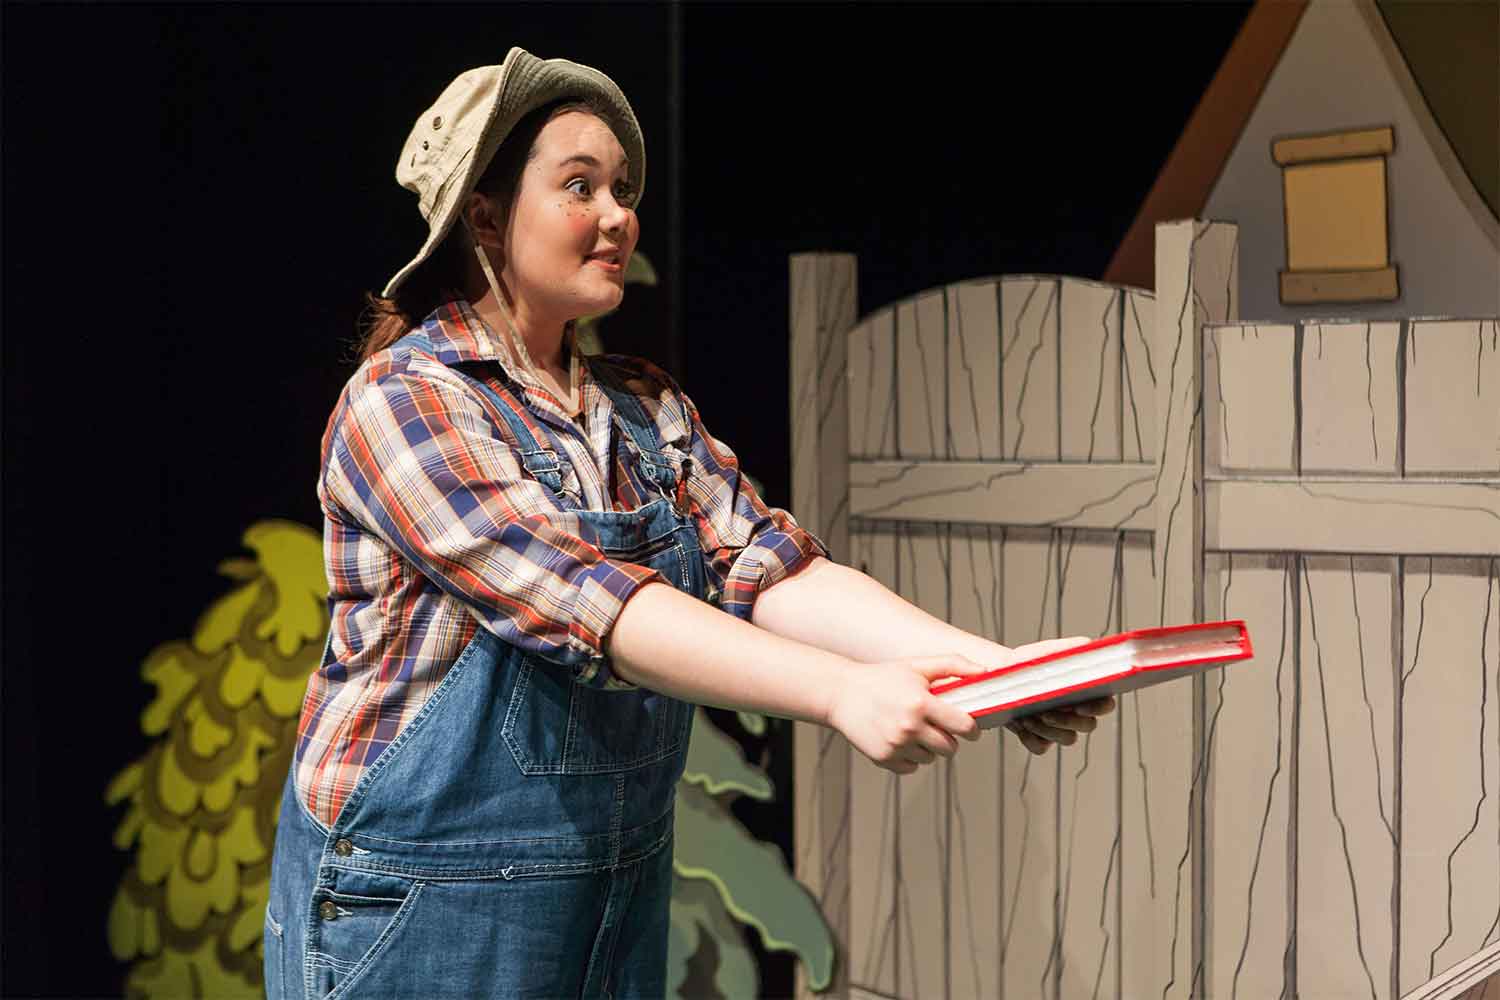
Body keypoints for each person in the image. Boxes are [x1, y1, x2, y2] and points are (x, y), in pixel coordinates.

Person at [263, 47, 1116, 999]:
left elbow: (774, 568)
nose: (618, 215)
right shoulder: (406, 403)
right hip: (422, 913)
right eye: (578, 185)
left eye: (621, 188)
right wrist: (845, 694)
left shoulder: (640, 409)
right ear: (488, 216)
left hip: (603, 899)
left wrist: (996, 668)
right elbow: (598, 607)